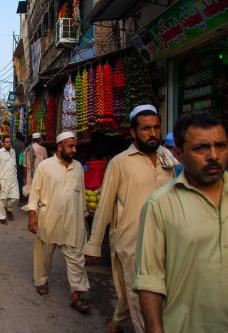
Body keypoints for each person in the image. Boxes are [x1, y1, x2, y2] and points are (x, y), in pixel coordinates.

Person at [84, 105, 176, 333]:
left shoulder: (168, 159)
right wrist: (94, 245)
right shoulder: (120, 162)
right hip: (131, 243)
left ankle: (115, 324)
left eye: (156, 127)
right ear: (133, 132)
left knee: (153, 294)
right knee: (141, 300)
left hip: (165, 241)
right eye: (146, 129)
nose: (153, 133)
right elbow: (104, 205)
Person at [133, 111, 228, 333]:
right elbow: (149, 280)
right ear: (179, 154)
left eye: (221, 146)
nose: (213, 155)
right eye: (200, 148)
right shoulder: (160, 204)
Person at [25, 131, 91, 313]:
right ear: (60, 146)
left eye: (75, 146)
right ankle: (41, 281)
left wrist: (84, 218)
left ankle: (76, 296)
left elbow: (82, 195)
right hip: (49, 219)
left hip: (73, 221)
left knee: (77, 259)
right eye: (70, 146)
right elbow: (35, 192)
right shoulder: (45, 167)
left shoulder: (78, 167)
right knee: (44, 255)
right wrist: (32, 216)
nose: (74, 149)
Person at [0, 135, 19, 224]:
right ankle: (2, 217)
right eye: (6, 142)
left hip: (13, 179)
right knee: (1, 199)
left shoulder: (13, 151)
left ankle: (8, 209)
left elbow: (14, 165)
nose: (8, 144)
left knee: (15, 198)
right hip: (2, 179)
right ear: (3, 143)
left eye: (9, 142)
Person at [23, 132, 48, 196]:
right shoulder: (43, 149)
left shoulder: (27, 149)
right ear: (39, 139)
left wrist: (25, 179)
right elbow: (46, 165)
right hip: (40, 174)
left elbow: (25, 166)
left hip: (29, 175)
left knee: (31, 194)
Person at [12, 131, 26, 201]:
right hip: (20, 164)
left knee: (14, 179)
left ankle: (14, 194)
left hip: (13, 163)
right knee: (20, 179)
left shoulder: (13, 143)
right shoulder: (22, 144)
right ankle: (20, 194)